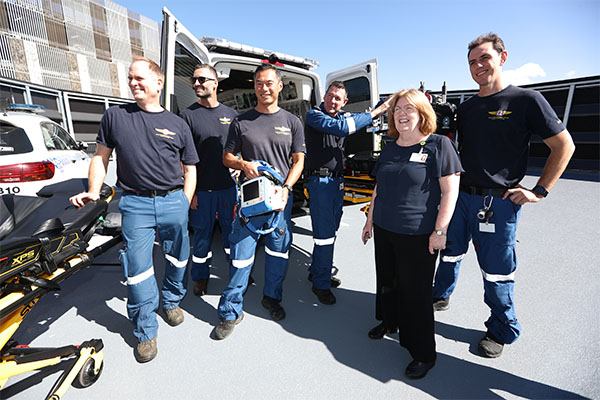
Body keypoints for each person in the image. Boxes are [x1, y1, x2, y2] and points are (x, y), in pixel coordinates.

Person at [431, 33, 575, 358]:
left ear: (502, 57)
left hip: (495, 205)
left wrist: (539, 191)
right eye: (472, 62)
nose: (478, 66)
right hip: (459, 198)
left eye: (484, 58)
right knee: (450, 252)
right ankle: (440, 294)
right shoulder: (467, 109)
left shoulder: (526, 100)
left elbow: (564, 145)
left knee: (496, 270)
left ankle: (500, 328)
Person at [70, 58, 198, 363]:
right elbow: (101, 157)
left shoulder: (179, 124)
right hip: (136, 204)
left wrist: (183, 200)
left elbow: (190, 167)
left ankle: (171, 300)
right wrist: (92, 190)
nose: (132, 83)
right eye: (130, 78)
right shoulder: (115, 117)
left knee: (177, 259)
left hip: (172, 201)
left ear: (158, 83)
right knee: (138, 271)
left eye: (139, 78)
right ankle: (145, 331)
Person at [361, 89, 462, 379]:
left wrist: (440, 231)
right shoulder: (391, 146)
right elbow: (378, 188)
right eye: (396, 109)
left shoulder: (439, 145)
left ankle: (423, 353)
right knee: (388, 281)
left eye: (408, 108)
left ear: (422, 113)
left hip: (418, 234)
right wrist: (369, 220)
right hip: (384, 227)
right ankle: (389, 321)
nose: (401, 114)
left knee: (415, 294)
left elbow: (450, 191)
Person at [214, 64, 305, 340]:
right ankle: (230, 311)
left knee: (278, 253)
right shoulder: (241, 122)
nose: (263, 89)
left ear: (279, 86)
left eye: (268, 83)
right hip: (250, 200)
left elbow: (299, 160)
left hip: (280, 199)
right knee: (241, 256)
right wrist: (243, 164)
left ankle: (271, 298)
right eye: (258, 84)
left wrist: (288, 187)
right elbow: (226, 158)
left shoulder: (292, 122)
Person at [304, 81, 391, 305]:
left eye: (338, 98)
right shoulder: (314, 115)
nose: (333, 101)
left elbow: (355, 120)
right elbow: (343, 129)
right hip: (320, 183)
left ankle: (317, 271)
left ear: (345, 102)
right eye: (330, 96)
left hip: (336, 183)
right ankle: (320, 284)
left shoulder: (342, 116)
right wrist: (379, 111)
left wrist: (390, 102)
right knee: (324, 236)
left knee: (330, 230)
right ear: (324, 96)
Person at [179, 64, 238, 297]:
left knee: (231, 235)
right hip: (201, 191)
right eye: (194, 80)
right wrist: (189, 191)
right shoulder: (187, 116)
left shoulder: (232, 115)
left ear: (215, 83)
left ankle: (237, 272)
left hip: (227, 189)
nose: (196, 84)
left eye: (202, 79)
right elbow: (181, 157)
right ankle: (201, 277)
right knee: (202, 238)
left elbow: (237, 149)